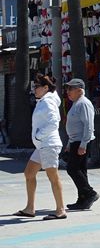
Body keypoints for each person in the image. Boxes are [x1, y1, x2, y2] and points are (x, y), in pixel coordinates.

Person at [13, 74, 66, 220]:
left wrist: (39, 136)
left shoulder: (48, 102)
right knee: (29, 173)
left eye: (37, 87)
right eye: (34, 86)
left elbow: (54, 122)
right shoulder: (44, 100)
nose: (34, 89)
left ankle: (60, 210)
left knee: (53, 177)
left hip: (48, 144)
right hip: (42, 145)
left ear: (45, 88)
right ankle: (30, 209)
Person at [64, 78, 99, 210]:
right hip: (75, 141)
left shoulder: (83, 103)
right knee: (81, 171)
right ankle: (83, 199)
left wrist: (83, 144)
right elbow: (74, 126)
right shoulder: (76, 103)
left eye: (71, 89)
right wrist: (69, 143)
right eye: (67, 89)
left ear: (80, 90)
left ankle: (90, 193)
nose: (68, 91)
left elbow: (89, 125)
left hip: (81, 142)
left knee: (72, 169)